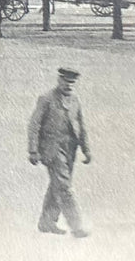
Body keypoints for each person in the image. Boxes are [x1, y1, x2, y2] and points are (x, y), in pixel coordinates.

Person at [28, 67, 91, 237]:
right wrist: (33, 150)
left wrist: (86, 149)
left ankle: (47, 222)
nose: (69, 85)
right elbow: (34, 125)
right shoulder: (46, 99)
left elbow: (80, 126)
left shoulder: (75, 101)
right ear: (59, 80)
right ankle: (77, 227)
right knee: (64, 186)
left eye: (72, 83)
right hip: (52, 148)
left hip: (70, 149)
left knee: (57, 185)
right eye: (66, 81)